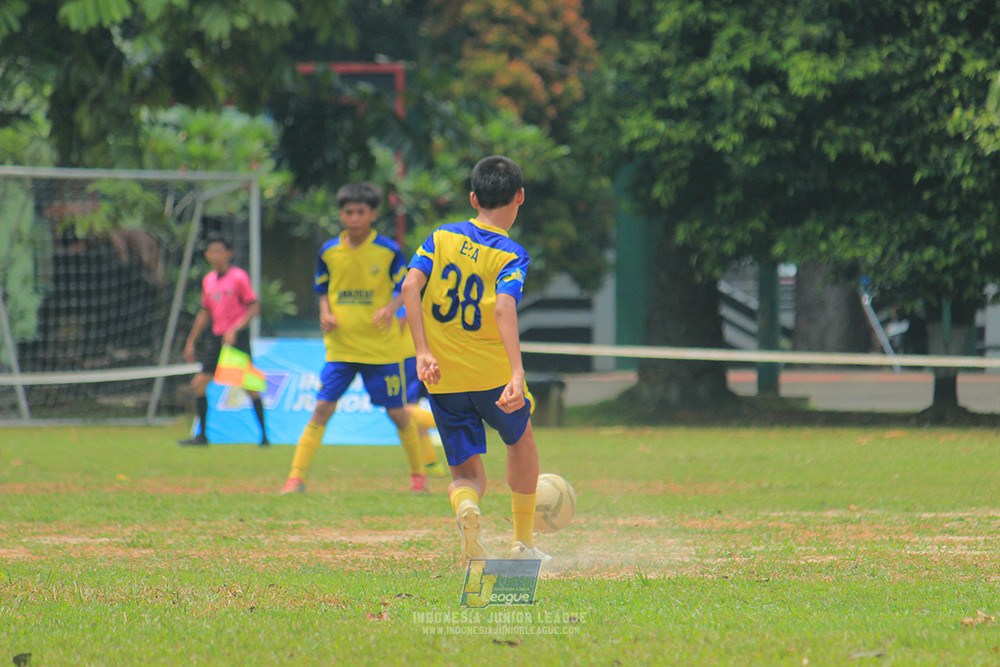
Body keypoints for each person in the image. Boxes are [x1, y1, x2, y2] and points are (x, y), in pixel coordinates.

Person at [401, 155, 550, 564]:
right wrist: (517, 373)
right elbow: (504, 308)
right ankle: (522, 543)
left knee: (467, 476)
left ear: (472, 198)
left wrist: (422, 351)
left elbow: (409, 286)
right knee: (521, 442)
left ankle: (467, 506)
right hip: (492, 376)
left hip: (442, 377)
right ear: (520, 196)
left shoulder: (440, 238)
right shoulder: (511, 253)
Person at [280, 182, 427, 494]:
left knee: (398, 413)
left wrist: (391, 308)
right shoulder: (329, 252)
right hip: (341, 348)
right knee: (322, 409)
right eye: (349, 212)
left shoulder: (388, 251)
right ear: (341, 215)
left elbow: (407, 289)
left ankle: (419, 478)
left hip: (380, 349)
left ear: (372, 214)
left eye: (361, 212)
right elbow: (322, 289)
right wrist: (324, 312)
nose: (355, 217)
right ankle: (295, 479)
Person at [179, 233, 267, 446]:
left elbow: (254, 306)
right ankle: (202, 437)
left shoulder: (238, 277)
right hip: (216, 338)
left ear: (229, 253)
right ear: (207, 255)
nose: (215, 256)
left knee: (249, 385)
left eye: (220, 251)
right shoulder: (208, 280)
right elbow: (205, 312)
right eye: (212, 252)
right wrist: (191, 341)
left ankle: (264, 437)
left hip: (236, 339)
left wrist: (236, 328)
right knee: (199, 384)